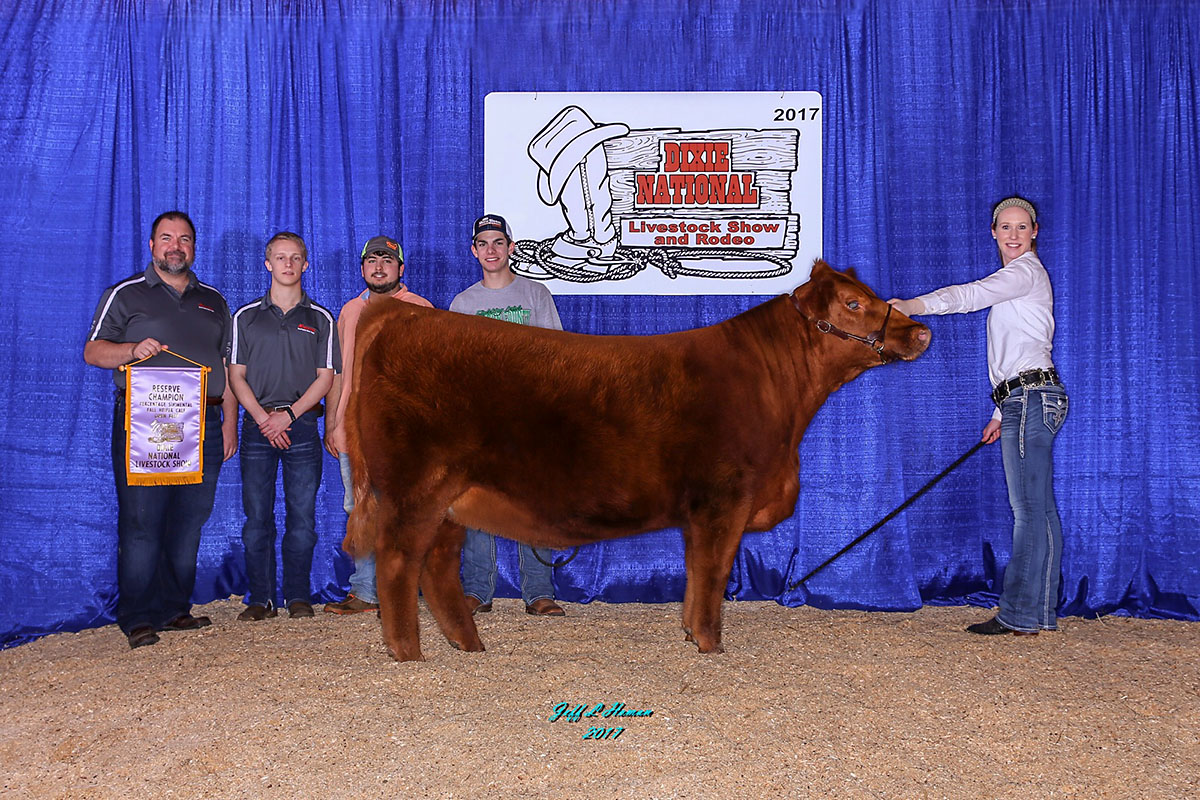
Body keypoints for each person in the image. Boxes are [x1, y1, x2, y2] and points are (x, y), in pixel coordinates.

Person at [889, 196, 1068, 636]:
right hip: (1027, 398)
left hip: (1030, 400)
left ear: (1034, 232)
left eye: (1021, 227)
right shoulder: (1023, 277)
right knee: (1039, 510)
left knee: (1028, 511)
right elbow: (1021, 352)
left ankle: (1019, 615)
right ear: (993, 232)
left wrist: (912, 306)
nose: (1012, 234)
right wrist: (998, 411)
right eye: (1004, 227)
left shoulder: (1023, 272)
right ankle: (1036, 613)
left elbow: (970, 296)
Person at [84, 211, 239, 649]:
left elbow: (225, 368)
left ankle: (174, 608)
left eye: (185, 239)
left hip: (204, 418)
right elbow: (93, 352)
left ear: (194, 246)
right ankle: (137, 615)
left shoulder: (214, 301)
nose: (176, 246)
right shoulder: (126, 294)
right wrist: (132, 349)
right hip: (145, 418)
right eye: (167, 238)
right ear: (152, 245)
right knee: (141, 522)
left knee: (189, 521)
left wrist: (229, 423)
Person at [450, 214, 566, 617]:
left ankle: (538, 591)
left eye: (498, 242)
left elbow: (557, 357)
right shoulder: (463, 304)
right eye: (483, 243)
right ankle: (478, 590)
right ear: (474, 251)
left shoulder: (536, 295)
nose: (491, 249)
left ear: (511, 247)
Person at [228, 232, 339, 621]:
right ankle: (260, 598)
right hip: (258, 426)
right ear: (268, 263)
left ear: (305, 265)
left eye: (295, 258)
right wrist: (263, 418)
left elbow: (325, 378)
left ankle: (297, 596)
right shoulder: (245, 317)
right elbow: (235, 375)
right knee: (257, 516)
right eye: (280, 257)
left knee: (302, 517)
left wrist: (288, 416)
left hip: (302, 426)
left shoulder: (321, 318)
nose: (288, 264)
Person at [322, 234, 433, 614]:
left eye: (387, 261)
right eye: (373, 261)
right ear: (364, 268)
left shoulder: (421, 309)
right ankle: (366, 593)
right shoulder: (351, 310)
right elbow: (340, 373)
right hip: (355, 427)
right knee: (360, 509)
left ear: (401, 269)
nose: (380, 266)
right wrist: (333, 422)